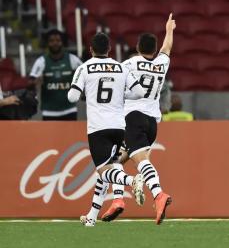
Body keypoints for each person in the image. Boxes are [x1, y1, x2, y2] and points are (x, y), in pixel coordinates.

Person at [90, 13, 176, 225]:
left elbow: (114, 83)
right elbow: (167, 49)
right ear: (153, 50)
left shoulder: (128, 64)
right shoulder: (161, 64)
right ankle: (116, 200)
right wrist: (169, 30)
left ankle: (158, 195)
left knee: (139, 163)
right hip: (152, 123)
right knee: (115, 162)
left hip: (132, 119)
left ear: (137, 47)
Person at [67, 32, 146, 226]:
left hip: (98, 127)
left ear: (91, 50)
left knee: (103, 170)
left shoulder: (84, 68)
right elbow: (139, 92)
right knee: (108, 168)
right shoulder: (121, 68)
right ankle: (92, 217)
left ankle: (131, 181)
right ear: (109, 49)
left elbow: (72, 97)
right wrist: (120, 96)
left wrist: (85, 91)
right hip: (119, 126)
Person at [30, 29, 82, 120]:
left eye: (58, 41)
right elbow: (30, 81)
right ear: (47, 43)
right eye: (51, 41)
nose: (55, 43)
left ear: (62, 42)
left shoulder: (72, 59)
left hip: (70, 110)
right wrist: (35, 83)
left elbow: (86, 74)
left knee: (70, 135)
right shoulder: (41, 61)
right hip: (49, 111)